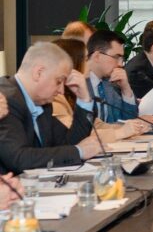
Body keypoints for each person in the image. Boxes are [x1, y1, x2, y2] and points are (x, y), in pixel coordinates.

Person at [0, 42, 101, 174]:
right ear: (38, 73)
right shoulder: (7, 99)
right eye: (58, 81)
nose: (61, 91)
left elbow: (68, 143)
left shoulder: (43, 104)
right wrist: (79, 151)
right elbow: (19, 159)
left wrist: (84, 100)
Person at [52, 38, 149, 143]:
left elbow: (96, 124)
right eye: (86, 59)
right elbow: (77, 134)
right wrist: (121, 132)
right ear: (73, 64)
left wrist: (133, 126)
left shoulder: (77, 92)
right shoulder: (55, 99)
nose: (90, 63)